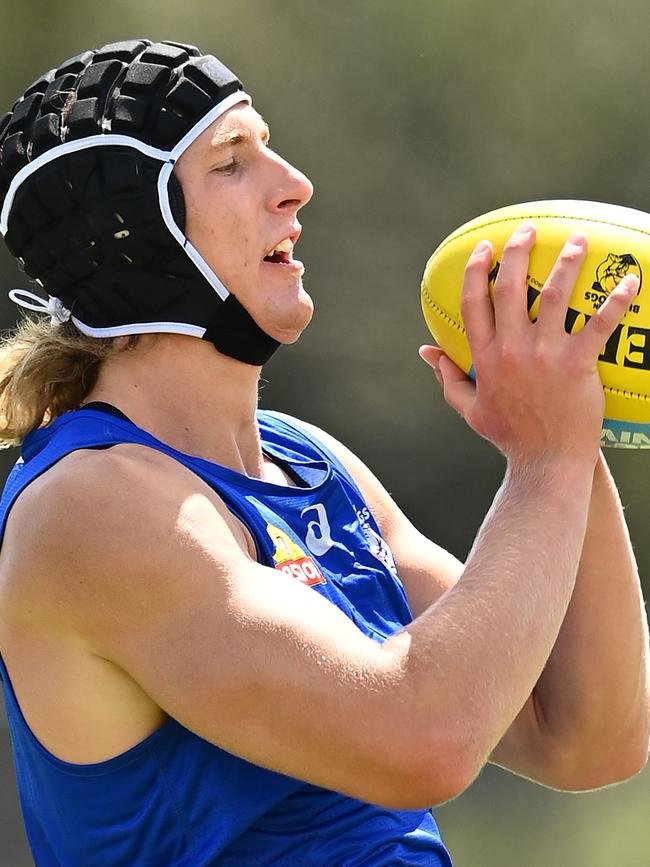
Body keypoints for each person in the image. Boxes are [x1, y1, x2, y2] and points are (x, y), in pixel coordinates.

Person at [0, 38, 647, 867]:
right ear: (133, 236)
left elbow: (590, 734)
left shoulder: (310, 462)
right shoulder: (91, 505)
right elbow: (421, 738)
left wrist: (569, 424)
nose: (293, 185)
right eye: (232, 163)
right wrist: (545, 460)